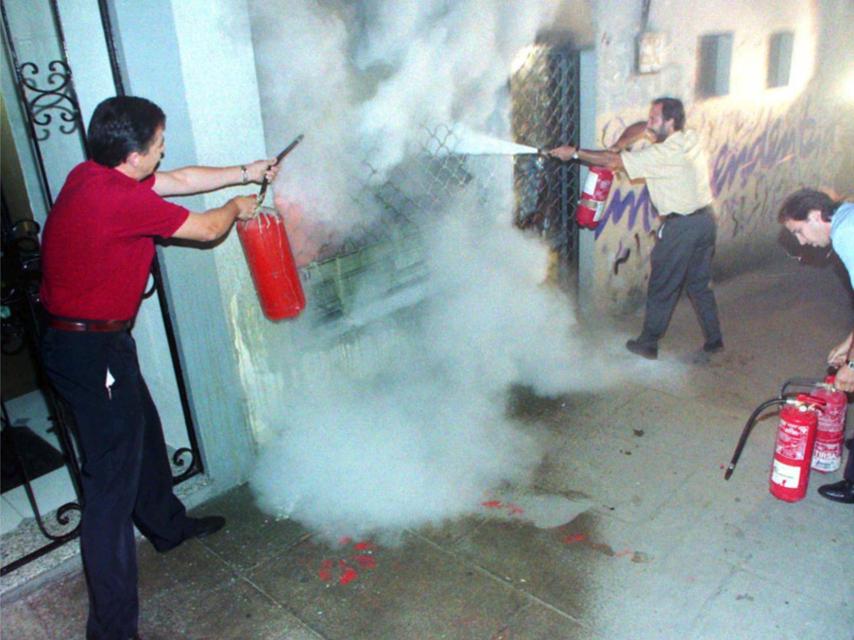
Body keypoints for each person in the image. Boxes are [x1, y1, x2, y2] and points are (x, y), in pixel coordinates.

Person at [39, 95, 280, 640]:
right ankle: (112, 629)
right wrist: (238, 206)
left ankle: (168, 527)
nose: (164, 150)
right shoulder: (118, 201)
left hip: (98, 343)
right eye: (158, 143)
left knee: (144, 436)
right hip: (88, 351)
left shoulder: (94, 175)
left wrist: (248, 169)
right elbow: (205, 229)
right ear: (133, 153)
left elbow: (184, 178)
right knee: (109, 493)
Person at [550, 96, 723, 360]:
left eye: (655, 118)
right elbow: (641, 127)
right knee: (699, 285)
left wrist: (573, 153)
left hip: (682, 228)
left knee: (663, 284)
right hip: (705, 223)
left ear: (670, 121)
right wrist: (620, 144)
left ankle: (648, 343)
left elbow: (611, 163)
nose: (649, 122)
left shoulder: (663, 154)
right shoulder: (688, 138)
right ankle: (714, 341)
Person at [778, 188, 854, 504]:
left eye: (798, 231)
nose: (801, 242)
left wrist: (852, 365)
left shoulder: (846, 236)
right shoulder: (847, 215)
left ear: (814, 216)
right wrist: (849, 342)